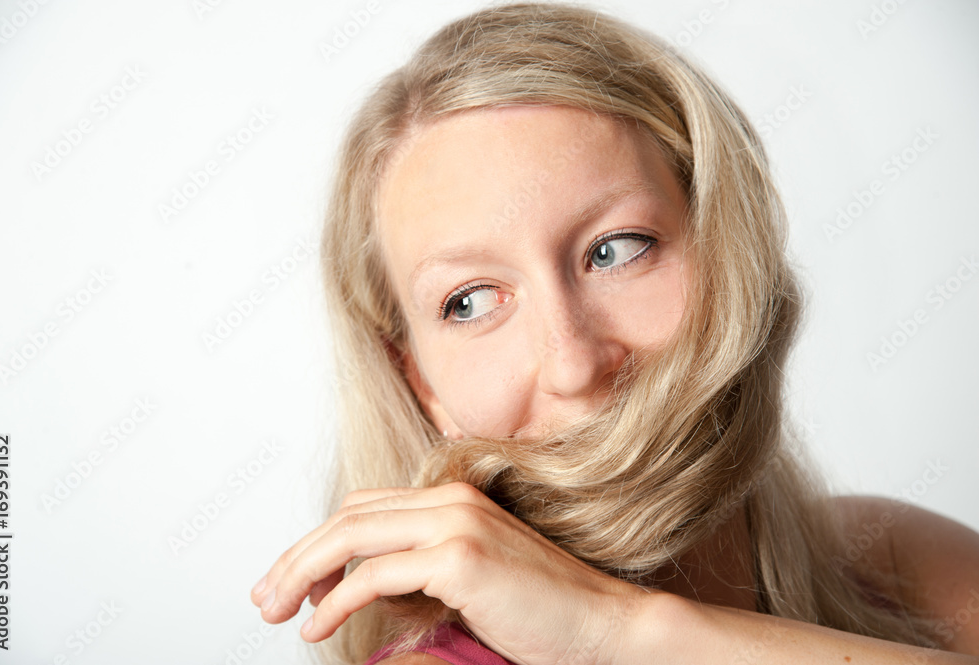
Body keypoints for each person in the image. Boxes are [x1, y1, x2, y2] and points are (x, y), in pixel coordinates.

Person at [250, 3, 979, 664]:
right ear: (420, 383)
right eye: (470, 302)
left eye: (616, 250)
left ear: (732, 253)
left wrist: (620, 632)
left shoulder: (893, 560)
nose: (572, 363)